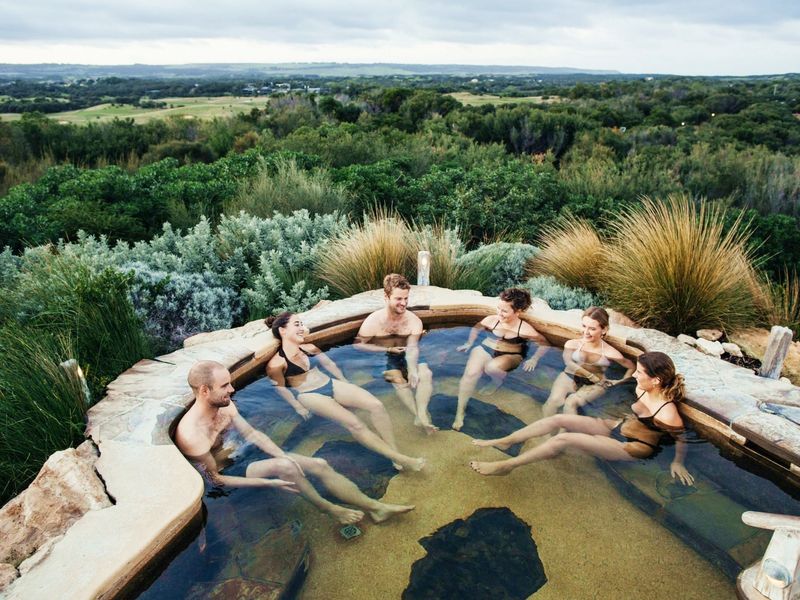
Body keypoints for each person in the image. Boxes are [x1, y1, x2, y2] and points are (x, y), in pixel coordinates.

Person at [174, 361, 415, 525]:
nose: (232, 388)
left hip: (245, 454)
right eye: (225, 385)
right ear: (204, 391)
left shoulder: (225, 407)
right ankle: (330, 508)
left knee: (318, 464)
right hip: (229, 472)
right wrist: (269, 483)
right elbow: (215, 480)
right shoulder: (192, 436)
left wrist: (283, 454)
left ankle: (375, 508)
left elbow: (254, 435)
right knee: (286, 468)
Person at [469, 351, 694, 485]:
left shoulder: (667, 412)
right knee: (557, 420)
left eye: (639, 372)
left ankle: (507, 466)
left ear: (656, 380)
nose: (634, 374)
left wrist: (677, 462)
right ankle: (507, 440)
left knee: (563, 439)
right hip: (619, 426)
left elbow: (681, 438)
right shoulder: (641, 388)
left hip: (634, 446)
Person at [266, 312, 426, 472]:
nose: (302, 328)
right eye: (297, 324)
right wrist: (297, 407)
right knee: (355, 424)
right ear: (282, 330)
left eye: (302, 324)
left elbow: (329, 364)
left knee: (376, 405)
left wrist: (343, 380)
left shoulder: (309, 348)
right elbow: (279, 387)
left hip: (330, 383)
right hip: (308, 395)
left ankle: (393, 452)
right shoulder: (276, 364)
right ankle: (403, 459)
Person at [453, 288, 549, 431]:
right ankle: (459, 413)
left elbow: (544, 343)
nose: (499, 313)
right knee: (470, 374)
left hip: (511, 355)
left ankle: (496, 381)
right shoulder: (491, 320)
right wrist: (469, 343)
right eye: (498, 308)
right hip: (486, 348)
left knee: (491, 368)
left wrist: (534, 359)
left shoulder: (525, 330)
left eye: (504, 311)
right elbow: (476, 328)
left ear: (517, 312)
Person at [355, 274, 436, 433]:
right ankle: (417, 415)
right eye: (399, 299)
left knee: (425, 373)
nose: (404, 303)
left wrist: (412, 370)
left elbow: (412, 347)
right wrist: (387, 349)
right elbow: (358, 345)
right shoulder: (373, 321)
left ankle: (421, 415)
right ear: (386, 297)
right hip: (384, 354)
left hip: (407, 351)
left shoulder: (413, 321)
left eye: (406, 298)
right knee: (397, 379)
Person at [541, 306, 635, 418]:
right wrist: (590, 375)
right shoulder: (572, 344)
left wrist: (619, 382)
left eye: (592, 329)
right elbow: (568, 362)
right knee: (554, 401)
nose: (586, 332)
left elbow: (631, 366)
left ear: (604, 330)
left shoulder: (610, 352)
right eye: (584, 326)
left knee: (571, 403)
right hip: (570, 375)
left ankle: (567, 429)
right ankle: (546, 429)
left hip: (596, 383)